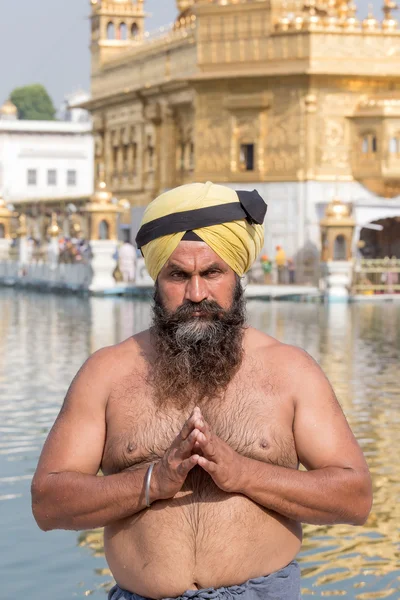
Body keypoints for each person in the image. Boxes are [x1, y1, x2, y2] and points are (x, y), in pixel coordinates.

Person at [31, 182, 372, 600]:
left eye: (212, 273)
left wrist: (246, 474)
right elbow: (48, 504)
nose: (196, 294)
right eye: (178, 275)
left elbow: (354, 498)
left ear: (237, 275)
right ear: (157, 278)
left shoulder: (290, 371)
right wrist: (153, 481)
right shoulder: (107, 373)